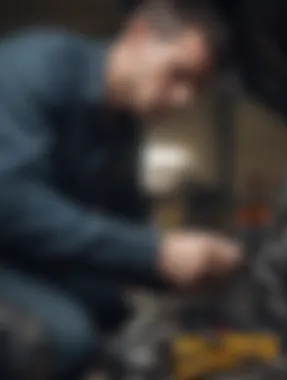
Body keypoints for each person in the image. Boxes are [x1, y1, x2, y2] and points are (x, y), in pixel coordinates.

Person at [0, 0, 242, 378]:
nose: (184, 99)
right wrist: (155, 252)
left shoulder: (123, 129)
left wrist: (183, 266)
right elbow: (11, 202)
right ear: (139, 36)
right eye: (178, 74)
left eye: (196, 88)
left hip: (29, 257)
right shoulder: (36, 67)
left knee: (129, 321)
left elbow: (127, 224)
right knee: (65, 338)